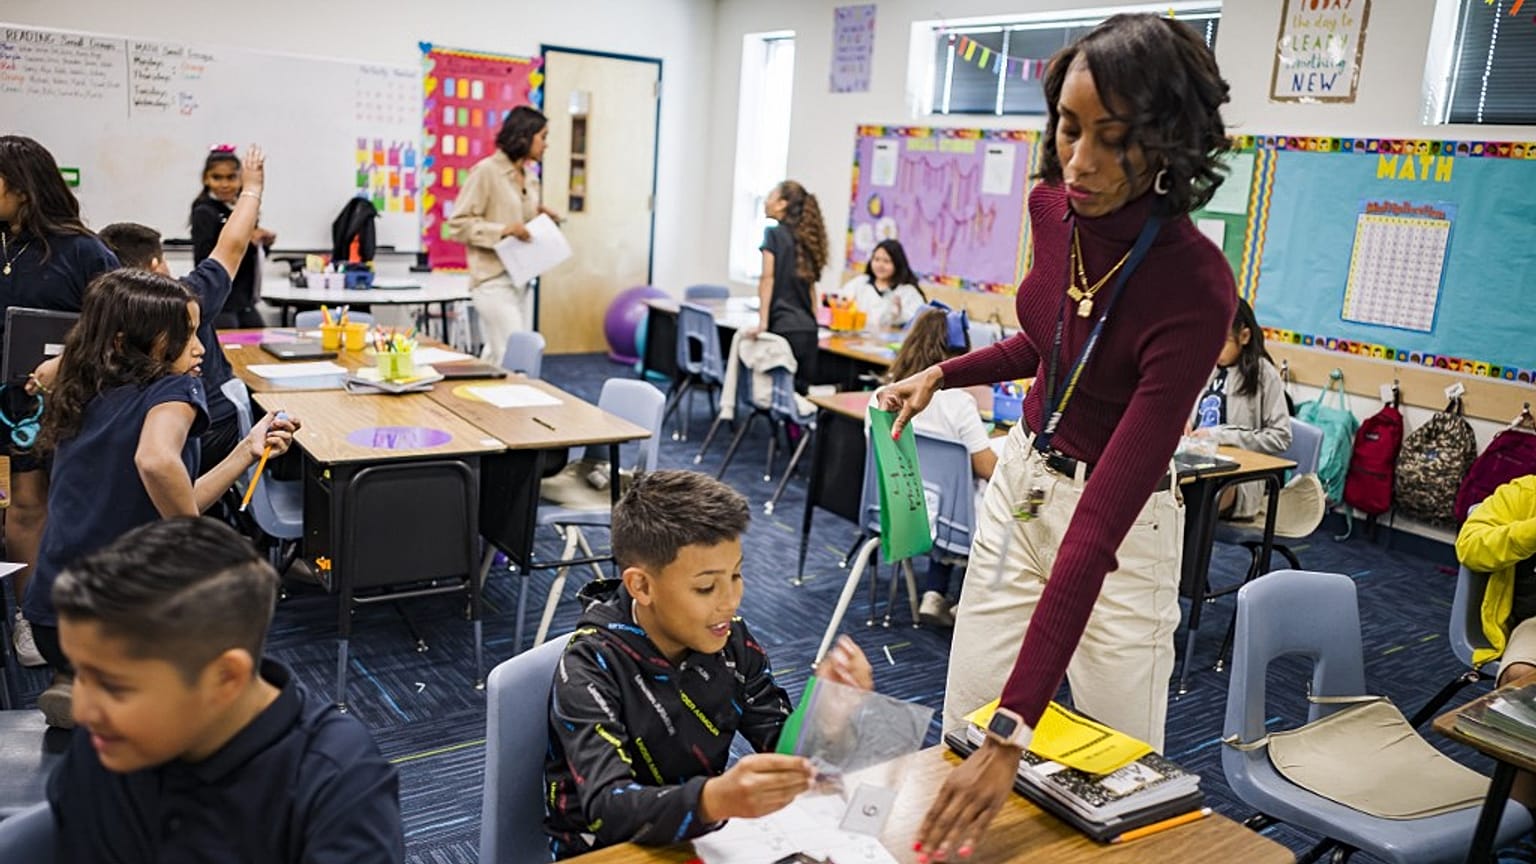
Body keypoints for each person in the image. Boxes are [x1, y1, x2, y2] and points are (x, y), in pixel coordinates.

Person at [876, 15, 1237, 857]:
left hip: (1121, 532)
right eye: (1070, 129)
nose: (1080, 161)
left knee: (1111, 786)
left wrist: (1017, 733)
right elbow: (1052, 341)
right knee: (963, 735)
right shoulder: (1053, 208)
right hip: (1022, 484)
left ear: (1168, 145)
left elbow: (1097, 532)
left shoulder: (1194, 287)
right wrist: (946, 372)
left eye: (1113, 140)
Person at [544, 470, 874, 858]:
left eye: (736, 575)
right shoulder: (590, 666)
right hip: (605, 851)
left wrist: (827, 717)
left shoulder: (731, 640)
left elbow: (781, 746)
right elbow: (609, 808)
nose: (730, 600)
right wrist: (713, 799)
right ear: (642, 586)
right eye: (706, 587)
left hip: (700, 836)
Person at [25, 269, 299, 727]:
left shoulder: (83, 385)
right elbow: (155, 461)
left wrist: (246, 452)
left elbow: (172, 489)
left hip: (52, 618)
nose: (200, 348)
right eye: (184, 335)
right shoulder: (176, 388)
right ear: (125, 341)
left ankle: (82, 680)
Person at [47, 517, 404, 862]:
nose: (81, 710)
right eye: (78, 673)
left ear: (225, 678)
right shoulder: (104, 744)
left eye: (114, 687)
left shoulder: (336, 784)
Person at [0, 135, 120, 669]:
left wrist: (65, 366)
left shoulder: (84, 250)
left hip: (64, 398)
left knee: (60, 505)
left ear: (21, 189)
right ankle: (28, 612)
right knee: (25, 505)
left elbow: (118, 324)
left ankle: (61, 614)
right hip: (8, 400)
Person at [71, 145, 269, 471]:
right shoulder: (181, 300)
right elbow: (231, 246)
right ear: (155, 265)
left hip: (131, 441)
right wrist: (253, 189)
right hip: (204, 433)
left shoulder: (102, 311)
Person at [868, 303, 997, 627]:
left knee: (944, 491)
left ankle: (935, 591)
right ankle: (961, 598)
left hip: (894, 510)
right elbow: (987, 468)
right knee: (992, 493)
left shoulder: (881, 397)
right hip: (949, 525)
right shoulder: (958, 403)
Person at [448, 105, 564, 365]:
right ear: (525, 135)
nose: (546, 145)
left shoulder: (530, 178)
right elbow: (458, 224)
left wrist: (539, 217)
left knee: (496, 354)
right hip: (491, 280)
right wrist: (503, 231)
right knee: (515, 355)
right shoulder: (486, 171)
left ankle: (476, 404)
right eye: (543, 137)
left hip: (520, 279)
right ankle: (513, 405)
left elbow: (516, 217)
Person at [1458, 475, 1536, 809]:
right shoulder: (1524, 493)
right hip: (1533, 624)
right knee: (1522, 680)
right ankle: (1513, 823)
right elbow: (1470, 545)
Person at [1188, 297, 1291, 519]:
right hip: (1195, 462)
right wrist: (1184, 421)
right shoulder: (1207, 366)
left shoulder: (1263, 375)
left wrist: (1222, 435)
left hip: (1237, 477)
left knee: (1195, 499)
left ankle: (1191, 552)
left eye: (1221, 342)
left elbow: (1281, 437)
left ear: (1244, 336)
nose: (1212, 350)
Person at [750, 180, 828, 394]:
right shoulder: (808, 239)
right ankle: (797, 429)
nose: (766, 201)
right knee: (800, 395)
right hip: (808, 331)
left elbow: (768, 278)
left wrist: (763, 322)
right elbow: (811, 287)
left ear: (782, 204)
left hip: (783, 329)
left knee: (779, 394)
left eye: (770, 196)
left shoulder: (773, 234)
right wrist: (814, 322)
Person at [190, 146, 275, 328]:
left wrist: (261, 244)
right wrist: (240, 239)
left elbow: (248, 260)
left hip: (244, 300)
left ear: (241, 178)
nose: (225, 184)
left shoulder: (241, 209)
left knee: (261, 342)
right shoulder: (204, 212)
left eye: (231, 177)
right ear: (206, 178)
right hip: (222, 303)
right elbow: (204, 260)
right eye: (217, 177)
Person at [838, 239, 926, 330]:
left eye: (886, 261)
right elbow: (841, 300)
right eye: (876, 259)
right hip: (857, 340)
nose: (880, 265)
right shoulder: (860, 283)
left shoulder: (907, 291)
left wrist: (899, 315)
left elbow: (920, 321)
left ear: (897, 264)